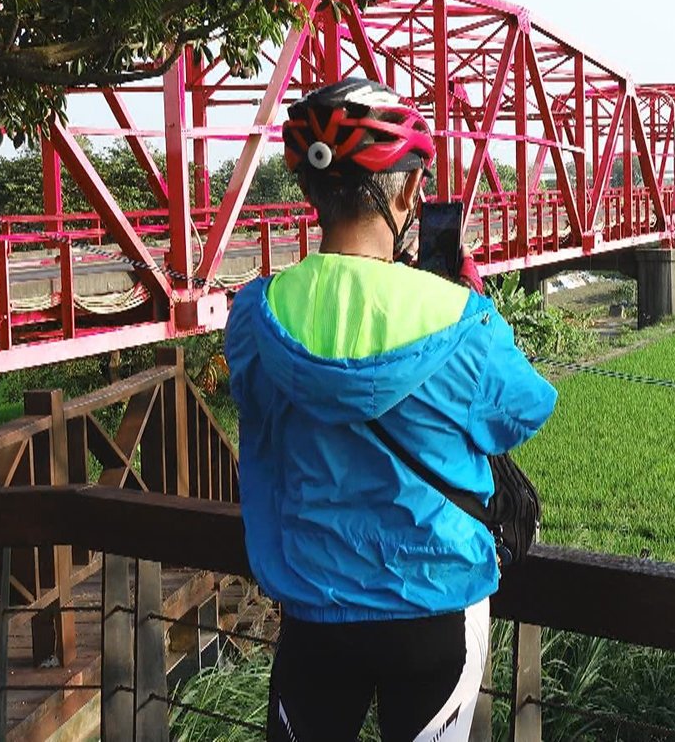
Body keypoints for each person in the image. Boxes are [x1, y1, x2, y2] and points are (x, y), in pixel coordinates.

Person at [225, 78, 557, 742]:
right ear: (406, 193)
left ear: (311, 190)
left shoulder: (255, 314)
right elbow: (524, 410)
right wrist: (472, 302)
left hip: (315, 608)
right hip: (435, 602)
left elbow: (261, 414)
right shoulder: (458, 316)